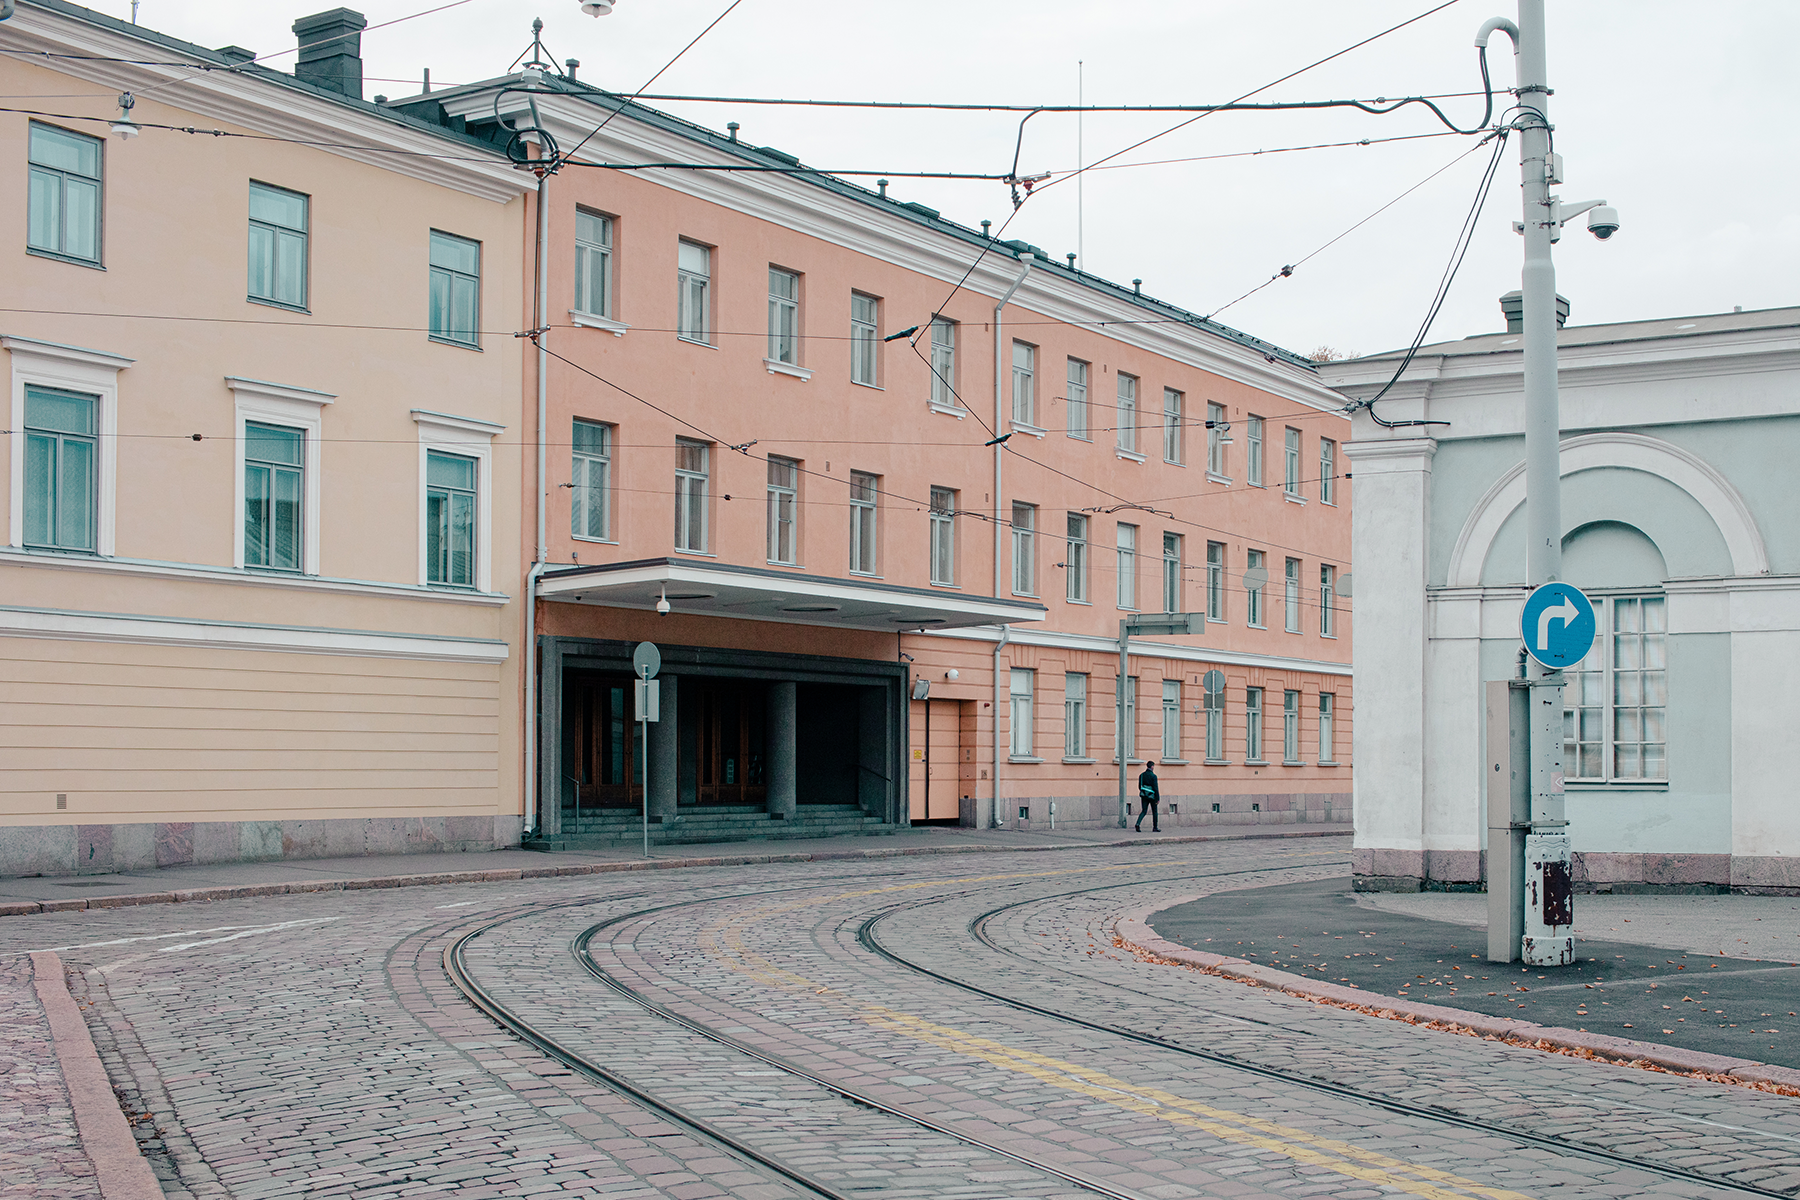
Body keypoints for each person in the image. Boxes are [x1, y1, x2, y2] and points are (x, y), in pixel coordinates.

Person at [1135, 760, 1161, 833]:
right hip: (1152, 796)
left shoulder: (1142, 775)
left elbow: (1139, 786)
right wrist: (1157, 798)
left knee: (1144, 810)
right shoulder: (1153, 776)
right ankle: (1155, 827)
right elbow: (1155, 788)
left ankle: (1138, 823)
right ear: (1152, 766)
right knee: (1154, 812)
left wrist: (1144, 792)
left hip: (1144, 796)